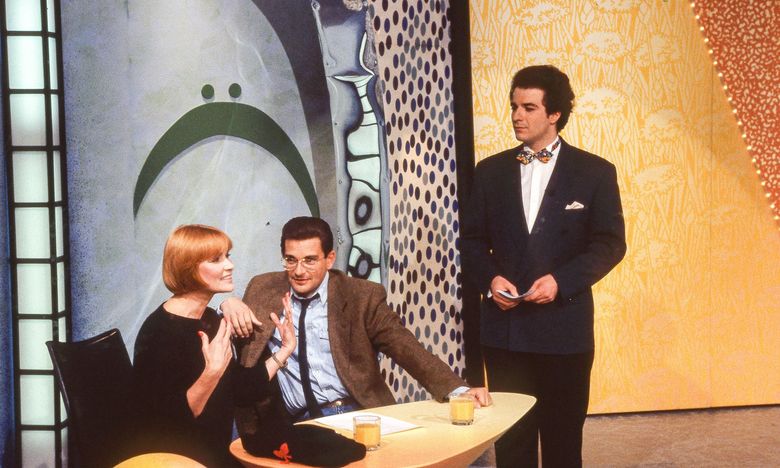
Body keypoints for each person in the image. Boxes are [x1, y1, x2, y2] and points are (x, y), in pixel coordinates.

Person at [460, 65, 626, 467]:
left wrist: (561, 281)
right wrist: (490, 279)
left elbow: (610, 243)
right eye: (514, 106)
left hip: (564, 332)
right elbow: (471, 241)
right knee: (513, 446)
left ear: (554, 114)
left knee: (563, 443)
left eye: (529, 107)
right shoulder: (490, 172)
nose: (517, 115)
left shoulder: (594, 172)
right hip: (505, 333)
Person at [222, 216, 491, 430]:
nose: (299, 271)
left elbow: (405, 347)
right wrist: (226, 304)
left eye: (310, 260)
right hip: (291, 422)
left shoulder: (361, 296)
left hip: (352, 412)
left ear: (330, 258)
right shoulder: (263, 288)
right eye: (290, 260)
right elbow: (233, 340)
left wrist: (456, 389)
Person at [132, 224, 296, 466]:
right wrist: (211, 373)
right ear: (188, 268)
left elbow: (239, 390)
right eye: (216, 259)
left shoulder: (210, 319)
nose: (229, 265)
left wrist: (285, 350)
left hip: (218, 455)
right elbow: (167, 426)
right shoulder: (159, 332)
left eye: (227, 256)